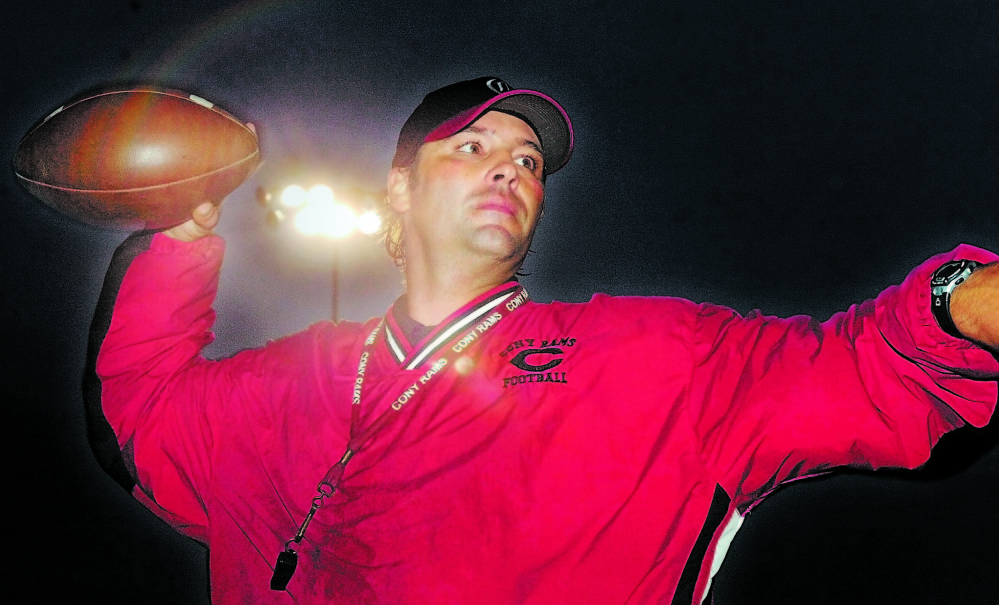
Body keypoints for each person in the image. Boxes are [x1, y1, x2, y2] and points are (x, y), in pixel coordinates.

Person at [92, 76, 999, 604]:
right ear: (397, 192)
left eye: (526, 161)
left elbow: (867, 366)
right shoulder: (283, 382)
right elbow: (138, 411)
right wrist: (177, 243)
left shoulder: (646, 356)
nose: (509, 168)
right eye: (473, 147)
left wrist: (962, 298)